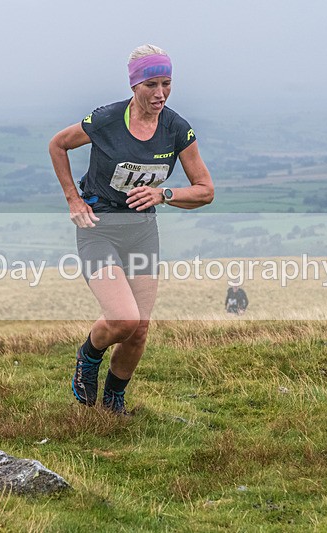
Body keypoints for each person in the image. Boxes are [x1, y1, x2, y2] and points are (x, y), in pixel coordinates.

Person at [49, 44, 214, 414]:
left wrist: (164, 193)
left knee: (139, 330)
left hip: (141, 231)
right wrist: (73, 200)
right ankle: (89, 355)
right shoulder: (107, 121)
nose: (160, 94)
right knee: (123, 318)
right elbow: (58, 144)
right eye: (151, 84)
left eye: (167, 84)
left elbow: (205, 190)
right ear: (134, 85)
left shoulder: (176, 129)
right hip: (100, 226)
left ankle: (113, 402)